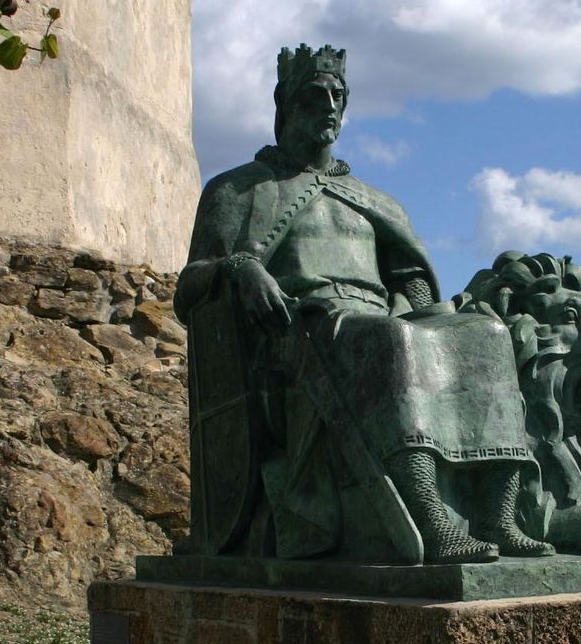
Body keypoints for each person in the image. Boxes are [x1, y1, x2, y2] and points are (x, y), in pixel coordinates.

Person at [174, 44, 552, 565]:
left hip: (382, 317)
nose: (329, 105)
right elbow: (189, 285)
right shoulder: (236, 190)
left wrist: (414, 308)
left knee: (485, 334)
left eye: (338, 95)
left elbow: (413, 281)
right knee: (390, 339)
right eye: (315, 94)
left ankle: (496, 515)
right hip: (302, 326)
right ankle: (432, 523)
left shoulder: (375, 200)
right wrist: (239, 267)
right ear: (284, 101)